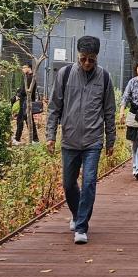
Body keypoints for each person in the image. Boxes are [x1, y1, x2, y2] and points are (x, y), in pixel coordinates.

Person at [46, 36, 116, 245]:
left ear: (97, 58)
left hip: (93, 140)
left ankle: (82, 226)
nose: (87, 63)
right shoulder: (65, 75)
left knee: (89, 183)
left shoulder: (104, 78)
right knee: (69, 184)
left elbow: (109, 111)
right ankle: (77, 214)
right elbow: (54, 108)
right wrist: (50, 136)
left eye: (91, 60)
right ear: (78, 56)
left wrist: (110, 139)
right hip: (69, 139)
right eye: (83, 59)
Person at [13, 63, 39, 144]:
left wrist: (18, 95)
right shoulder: (28, 77)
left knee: (24, 120)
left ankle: (32, 139)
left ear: (29, 68)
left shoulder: (30, 77)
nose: (22, 69)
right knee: (24, 120)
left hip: (26, 101)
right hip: (25, 101)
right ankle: (33, 139)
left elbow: (25, 90)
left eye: (24, 67)